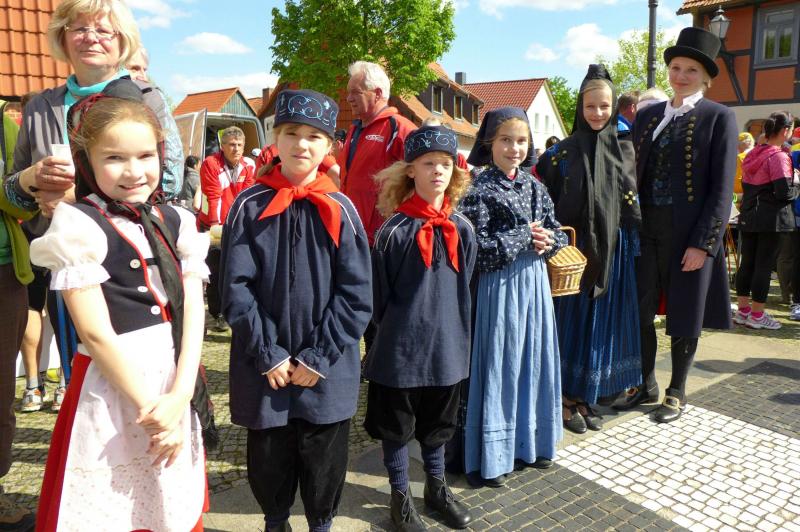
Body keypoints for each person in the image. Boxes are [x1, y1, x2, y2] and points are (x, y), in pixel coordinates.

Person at [30, 81, 209, 531]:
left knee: (169, 503)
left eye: (145, 156)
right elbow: (95, 334)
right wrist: (153, 410)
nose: (134, 172)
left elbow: (193, 314)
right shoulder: (78, 226)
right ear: (87, 161)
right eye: (114, 158)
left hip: (172, 381)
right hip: (114, 387)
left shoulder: (178, 220)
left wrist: (180, 397)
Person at [220, 89, 372, 532]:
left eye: (313, 136)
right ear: (275, 138)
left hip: (325, 369)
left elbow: (356, 293)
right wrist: (268, 353)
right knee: (269, 459)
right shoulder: (248, 206)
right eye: (291, 133)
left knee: (324, 462)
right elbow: (235, 288)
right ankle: (276, 523)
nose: (301, 144)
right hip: (264, 368)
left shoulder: (342, 209)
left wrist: (317, 357)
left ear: (329, 146)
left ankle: (320, 524)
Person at [616, 27, 738, 423]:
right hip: (645, 228)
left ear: (705, 77)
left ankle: (676, 391)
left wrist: (704, 243)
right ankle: (645, 383)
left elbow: (722, 189)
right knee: (640, 309)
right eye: (675, 68)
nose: (681, 76)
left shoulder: (719, 117)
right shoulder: (649, 114)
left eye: (690, 70)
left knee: (685, 313)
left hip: (687, 233)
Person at [363, 125, 476, 530]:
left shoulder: (463, 228)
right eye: (428, 163)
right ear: (410, 170)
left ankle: (436, 488)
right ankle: (400, 497)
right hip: (401, 351)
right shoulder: (392, 232)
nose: (437, 171)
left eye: (445, 164)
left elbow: (465, 285)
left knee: (438, 426)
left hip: (447, 348)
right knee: (397, 427)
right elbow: (379, 297)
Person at [460, 107, 566, 486]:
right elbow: (475, 249)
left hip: (535, 288)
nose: (514, 148)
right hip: (498, 289)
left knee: (532, 360)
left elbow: (559, 232)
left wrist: (549, 240)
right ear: (490, 144)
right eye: (506, 140)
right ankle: (493, 455)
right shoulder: (477, 188)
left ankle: (530, 443)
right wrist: (523, 237)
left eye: (521, 141)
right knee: (501, 364)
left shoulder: (535, 187)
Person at [536, 65, 642, 434]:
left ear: (613, 108)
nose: (597, 113)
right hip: (574, 253)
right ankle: (563, 398)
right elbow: (545, 203)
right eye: (590, 106)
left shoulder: (626, 148)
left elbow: (632, 203)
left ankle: (584, 396)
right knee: (570, 324)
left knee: (600, 328)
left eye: (604, 106)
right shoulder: (559, 154)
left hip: (614, 250)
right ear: (580, 108)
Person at [339, 60, 415, 356]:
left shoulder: (400, 129)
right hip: (352, 235)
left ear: (378, 93)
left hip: (381, 240)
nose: (348, 98)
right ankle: (361, 361)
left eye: (355, 92)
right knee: (355, 302)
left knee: (379, 309)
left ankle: (378, 362)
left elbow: (418, 181)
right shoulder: (355, 130)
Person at [0, 102, 37, 530]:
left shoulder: (4, 127)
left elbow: (26, 206)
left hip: (4, 274)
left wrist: (20, 187)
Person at [734, 111, 799, 330]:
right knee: (763, 266)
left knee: (748, 264)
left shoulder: (753, 153)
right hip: (771, 219)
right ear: (785, 131)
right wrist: (797, 182)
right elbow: (784, 193)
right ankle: (757, 315)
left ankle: (743, 311)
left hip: (750, 214)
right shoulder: (778, 156)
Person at [198, 126, 255, 333]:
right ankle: (218, 313)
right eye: (231, 144)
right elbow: (212, 195)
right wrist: (215, 225)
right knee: (216, 271)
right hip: (214, 224)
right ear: (222, 146)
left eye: (239, 145)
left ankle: (236, 308)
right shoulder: (211, 163)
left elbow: (247, 196)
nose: (236, 149)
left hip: (236, 225)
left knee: (237, 268)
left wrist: (247, 223)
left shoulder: (249, 165)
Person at [733, 132, 755, 207]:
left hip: (740, 197)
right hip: (755, 196)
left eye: (738, 144)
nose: (737, 147)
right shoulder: (759, 155)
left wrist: (733, 197)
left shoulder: (740, 157)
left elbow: (737, 179)